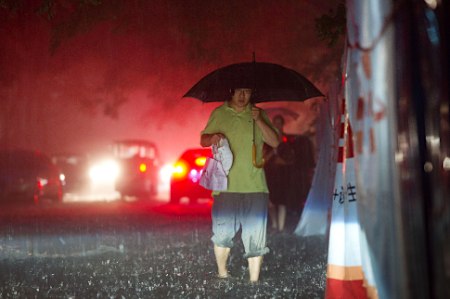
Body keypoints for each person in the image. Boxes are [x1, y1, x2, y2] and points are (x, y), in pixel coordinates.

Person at [200, 87, 279, 283]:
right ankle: (222, 272)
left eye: (248, 92)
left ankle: (254, 279)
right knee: (222, 232)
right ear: (230, 92)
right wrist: (212, 138)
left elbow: (275, 141)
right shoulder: (219, 113)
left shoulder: (259, 113)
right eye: (239, 92)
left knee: (255, 235)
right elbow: (203, 139)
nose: (243, 96)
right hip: (225, 185)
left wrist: (259, 119)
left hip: (255, 186)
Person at [263, 115, 296, 232]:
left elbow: (293, 159)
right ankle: (275, 224)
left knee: (282, 200)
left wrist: (283, 161)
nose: (277, 126)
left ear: (282, 125)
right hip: (270, 174)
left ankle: (281, 227)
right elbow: (263, 159)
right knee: (271, 201)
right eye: (275, 123)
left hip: (283, 175)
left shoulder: (288, 141)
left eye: (279, 123)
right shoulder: (267, 141)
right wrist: (273, 152)